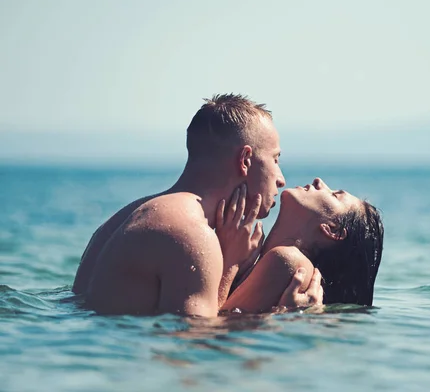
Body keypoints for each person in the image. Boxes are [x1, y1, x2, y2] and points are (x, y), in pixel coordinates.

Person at [72, 94, 323, 316]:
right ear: (245, 160)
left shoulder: (125, 216)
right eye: (275, 159)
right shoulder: (192, 235)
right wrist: (280, 314)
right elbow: (198, 351)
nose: (281, 179)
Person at [218, 177, 384, 313]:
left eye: (334, 195)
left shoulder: (288, 261)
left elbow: (209, 327)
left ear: (332, 230)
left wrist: (229, 263)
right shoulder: (279, 264)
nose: (319, 181)